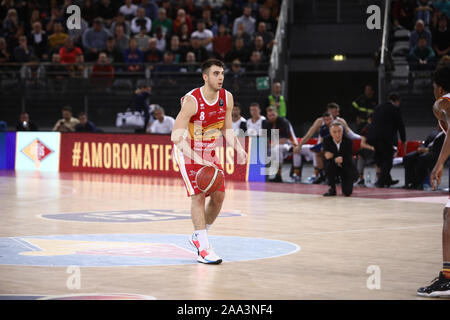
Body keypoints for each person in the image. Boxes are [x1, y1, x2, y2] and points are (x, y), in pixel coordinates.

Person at [171, 59, 247, 264]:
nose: (220, 77)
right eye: (215, 73)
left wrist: (239, 149)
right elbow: (176, 137)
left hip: (210, 152)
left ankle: (198, 236)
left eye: (222, 73)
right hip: (187, 150)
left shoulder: (227, 98)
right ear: (205, 77)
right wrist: (198, 159)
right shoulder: (192, 101)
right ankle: (203, 249)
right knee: (198, 196)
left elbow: (227, 129)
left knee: (219, 196)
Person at [417, 64, 450, 297]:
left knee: (449, 217)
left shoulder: (441, 103)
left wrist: (439, 164)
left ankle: (447, 279)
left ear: (438, 87)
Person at [366, 92, 406, 188]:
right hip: (385, 138)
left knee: (381, 158)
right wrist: (403, 140)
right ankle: (380, 181)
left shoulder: (378, 107)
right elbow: (400, 125)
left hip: (373, 137)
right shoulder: (394, 109)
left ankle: (388, 180)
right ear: (396, 101)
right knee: (388, 160)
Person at [262, 106, 301, 183]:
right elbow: (265, 138)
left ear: (277, 114)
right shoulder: (267, 123)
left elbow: (284, 139)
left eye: (273, 115)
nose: (271, 117)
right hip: (277, 145)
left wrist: (271, 145)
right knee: (265, 151)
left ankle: (278, 175)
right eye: (269, 115)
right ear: (267, 115)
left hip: (290, 144)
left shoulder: (283, 122)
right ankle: (265, 176)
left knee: (276, 149)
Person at [322, 121, 358, 197]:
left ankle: (345, 181)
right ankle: (332, 189)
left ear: (343, 131)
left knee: (347, 192)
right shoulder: (326, 140)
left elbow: (348, 158)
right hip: (333, 165)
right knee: (328, 164)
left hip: (346, 166)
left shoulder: (348, 141)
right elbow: (327, 157)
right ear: (330, 132)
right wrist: (335, 159)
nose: (337, 134)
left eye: (339, 131)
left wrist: (334, 157)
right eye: (334, 132)